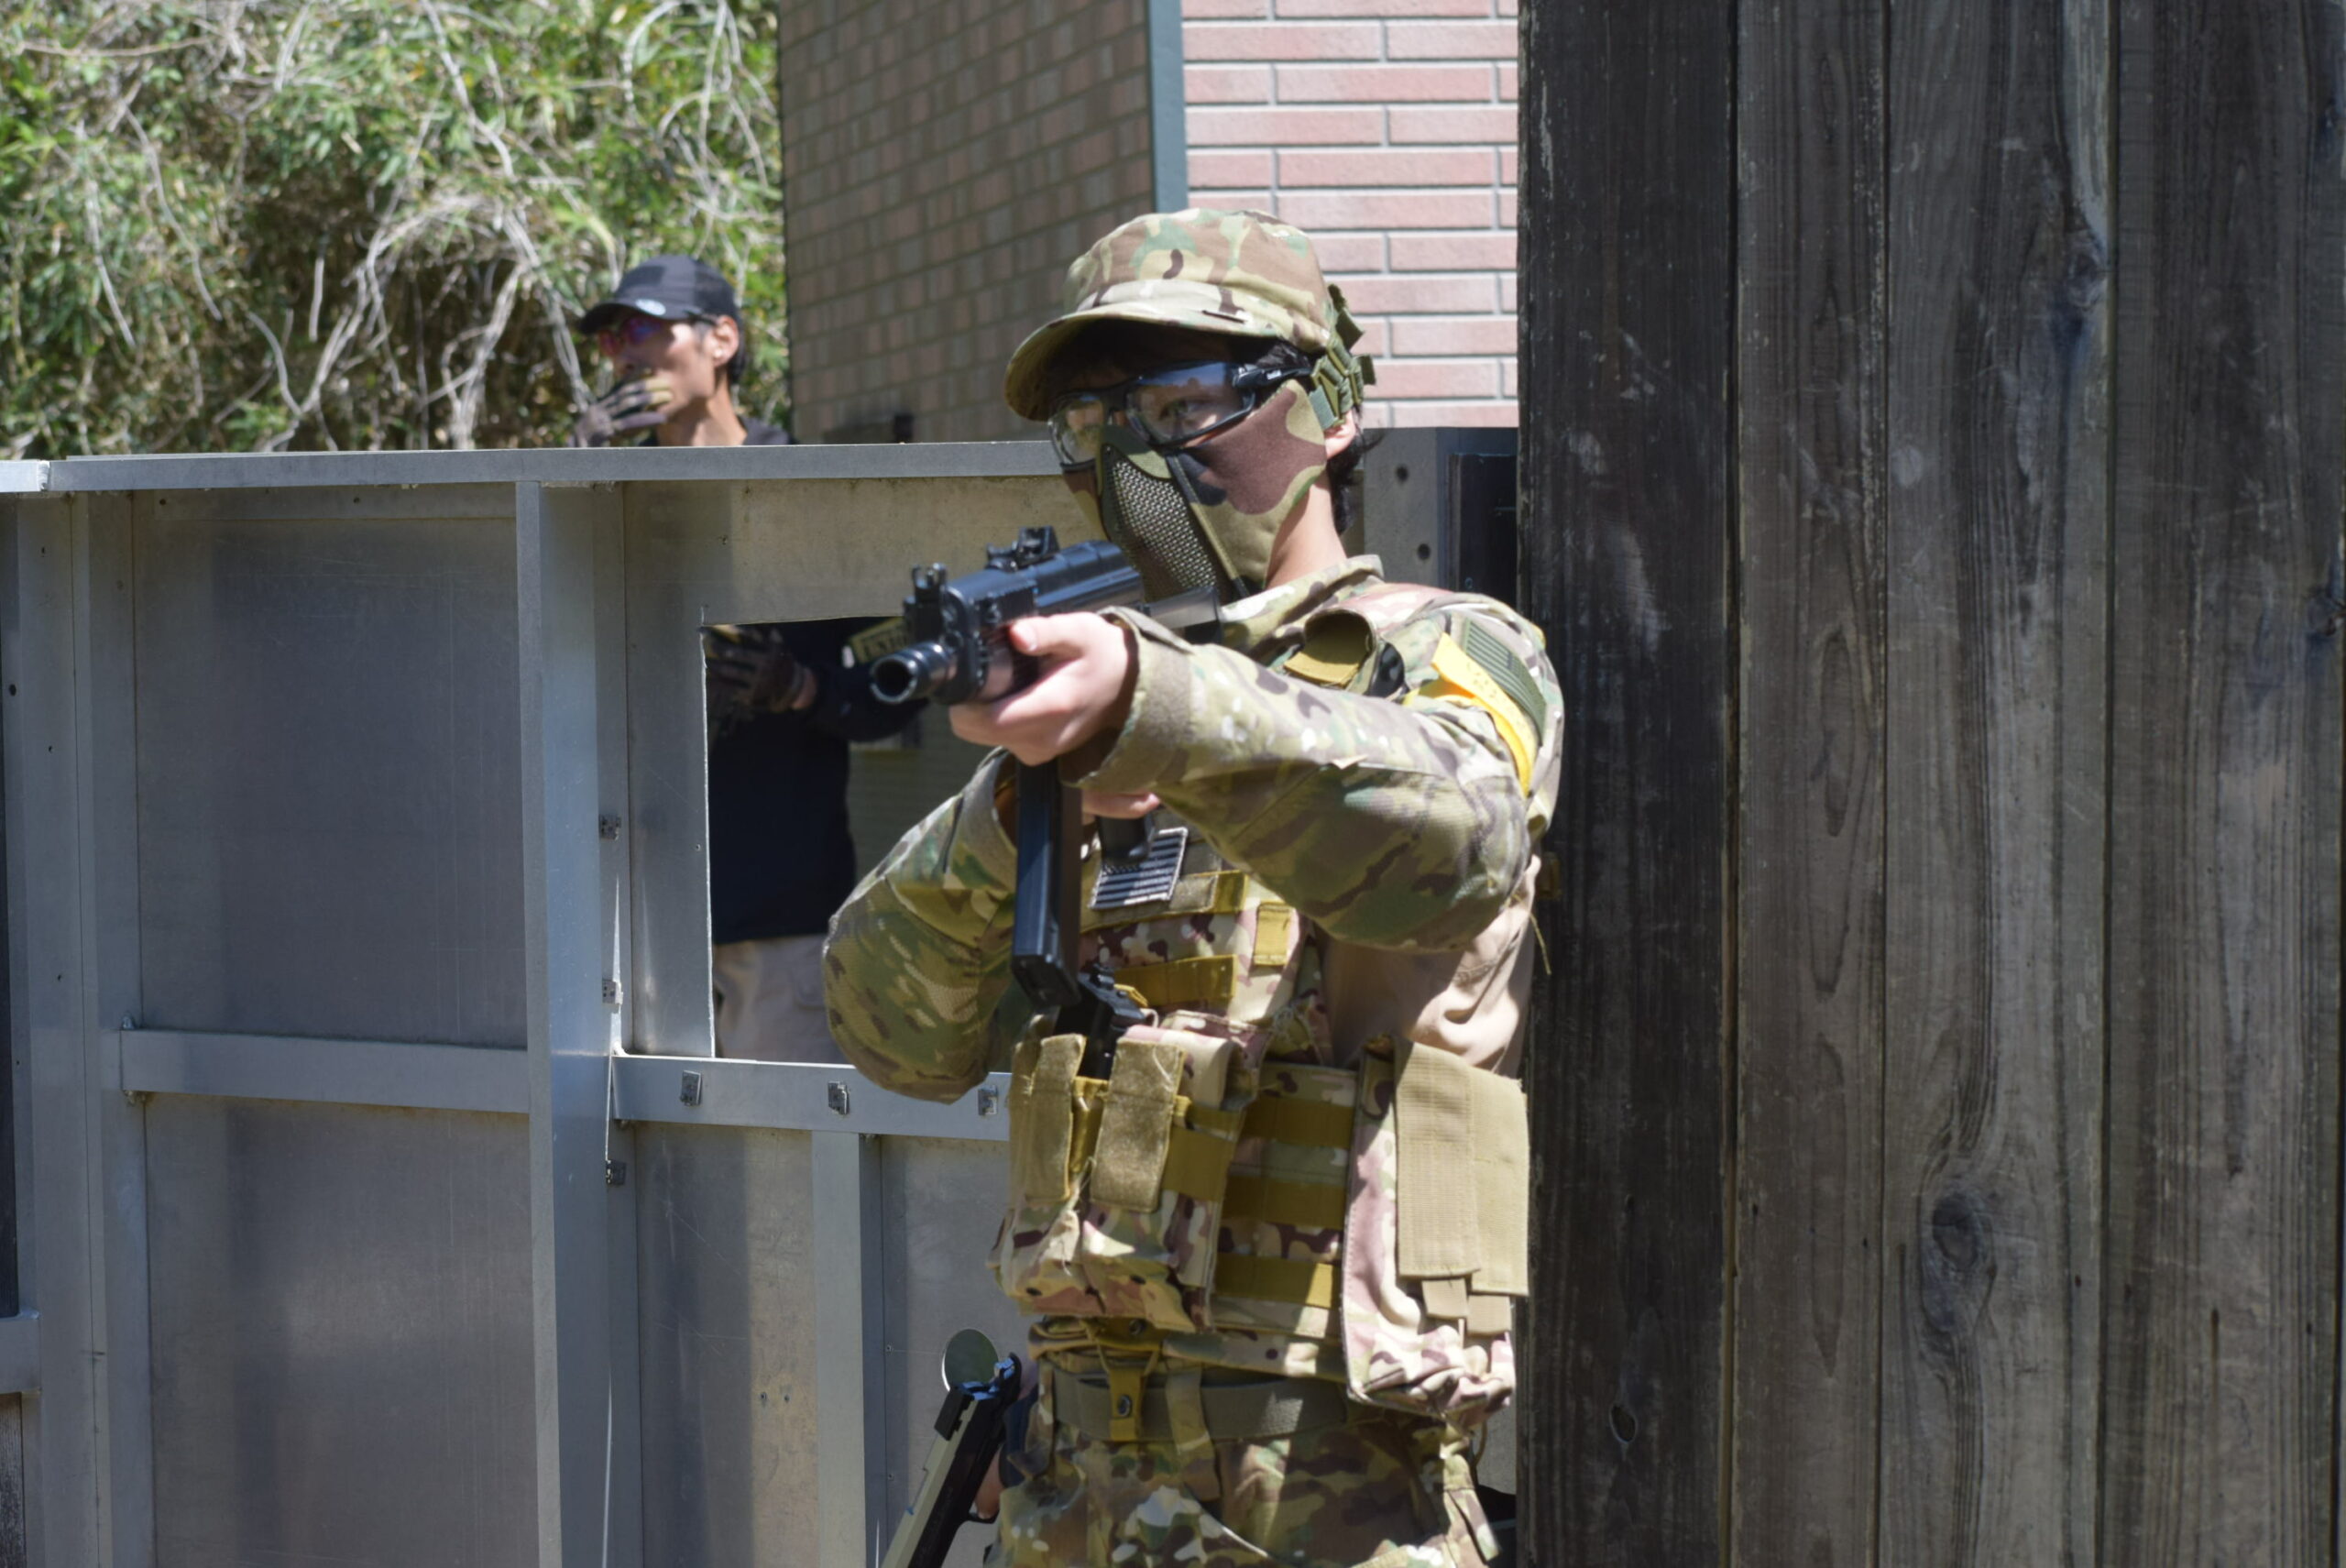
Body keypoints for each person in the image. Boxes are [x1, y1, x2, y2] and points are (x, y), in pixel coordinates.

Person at [823, 210, 1561, 1567]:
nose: (1138, 464)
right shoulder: (1091, 718)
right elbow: (892, 1037)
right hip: (1075, 1483)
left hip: (1327, 1488)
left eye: (1181, 408)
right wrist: (1010, 809)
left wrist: (1159, 710)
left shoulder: (1437, 652)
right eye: (1095, 427)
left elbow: (1452, 853)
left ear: (1325, 409)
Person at [575, 256, 917, 1060]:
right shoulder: (609, 492)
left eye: (647, 328)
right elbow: (552, 656)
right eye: (614, 339)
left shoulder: (805, 490)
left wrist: (801, 687)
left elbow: (899, 679)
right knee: (646, 1140)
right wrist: (577, 473)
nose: (628, 353)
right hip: (636, 923)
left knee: (778, 1142)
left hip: (779, 925)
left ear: (721, 340)